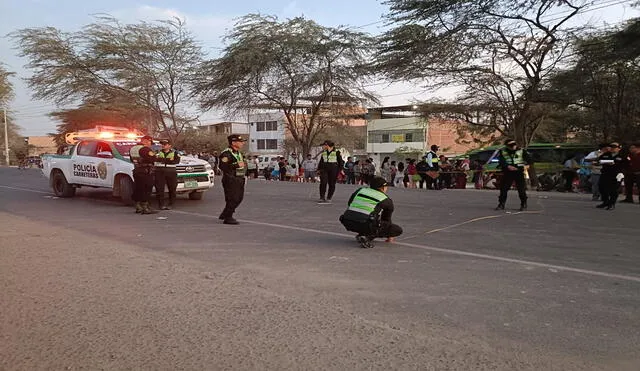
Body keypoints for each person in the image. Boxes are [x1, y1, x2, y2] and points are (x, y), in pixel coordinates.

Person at [339, 176, 403, 248]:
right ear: (382, 188)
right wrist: (389, 235)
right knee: (397, 230)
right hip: (365, 224)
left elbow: (350, 203)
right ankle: (367, 237)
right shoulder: (385, 199)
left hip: (347, 221)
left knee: (369, 219)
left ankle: (362, 234)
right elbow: (386, 219)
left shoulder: (360, 190)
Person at [495, 139, 532, 211]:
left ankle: (523, 204)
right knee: (504, 189)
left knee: (521, 189)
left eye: (514, 145)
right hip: (508, 172)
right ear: (507, 146)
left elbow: (529, 160)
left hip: (519, 172)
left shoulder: (521, 151)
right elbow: (501, 161)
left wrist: (527, 165)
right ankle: (501, 204)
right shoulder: (502, 151)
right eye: (511, 146)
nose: (513, 147)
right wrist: (508, 166)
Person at [218, 134, 247, 224]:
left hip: (239, 177)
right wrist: (236, 165)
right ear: (233, 143)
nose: (242, 143)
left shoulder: (239, 153)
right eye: (240, 142)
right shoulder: (226, 153)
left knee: (239, 198)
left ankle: (225, 213)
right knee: (232, 198)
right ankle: (228, 217)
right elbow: (222, 166)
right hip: (230, 179)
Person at [130, 135, 157, 214]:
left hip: (137, 170)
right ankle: (145, 208)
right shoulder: (145, 149)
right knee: (147, 189)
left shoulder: (133, 148)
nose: (150, 144)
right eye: (149, 142)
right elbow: (152, 158)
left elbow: (132, 159)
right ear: (145, 141)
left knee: (138, 188)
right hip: (145, 171)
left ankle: (138, 206)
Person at [596, 142, 625, 210]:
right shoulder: (606, 154)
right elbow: (599, 160)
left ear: (619, 148)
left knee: (613, 190)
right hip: (605, 174)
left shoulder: (622, 155)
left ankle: (612, 203)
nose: (612, 148)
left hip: (616, 175)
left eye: (614, 147)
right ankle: (605, 202)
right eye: (611, 147)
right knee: (601, 188)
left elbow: (625, 164)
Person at [154, 139, 180, 210]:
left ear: (169, 145)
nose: (163, 146)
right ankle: (161, 204)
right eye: (162, 144)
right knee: (159, 189)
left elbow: (176, 161)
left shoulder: (175, 153)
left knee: (172, 188)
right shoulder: (157, 152)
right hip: (159, 172)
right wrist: (168, 160)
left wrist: (163, 160)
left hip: (171, 172)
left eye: (164, 144)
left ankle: (171, 204)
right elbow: (155, 159)